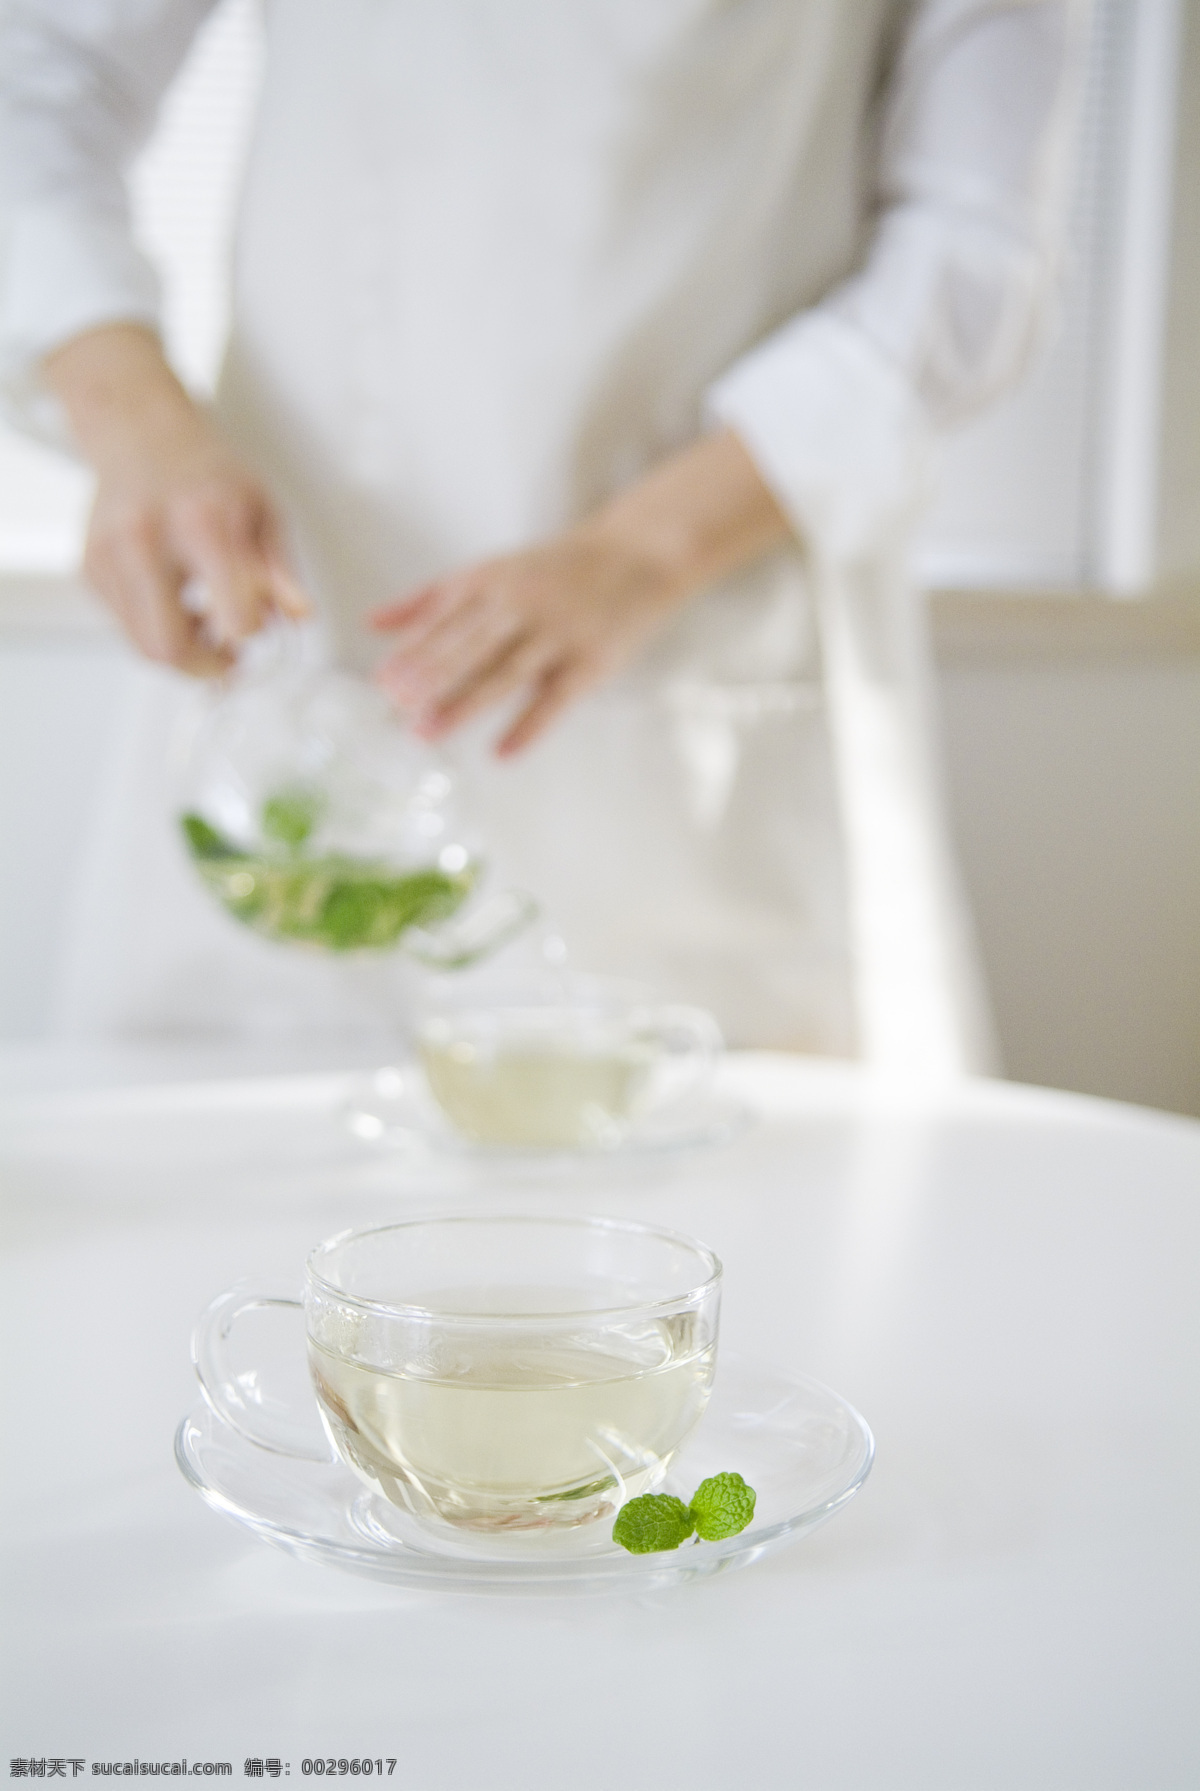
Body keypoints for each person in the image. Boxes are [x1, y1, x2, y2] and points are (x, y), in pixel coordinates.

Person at [0, 0, 1086, 1066]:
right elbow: (30, 83)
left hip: (705, 683)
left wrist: (644, 551)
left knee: (731, 1208)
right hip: (286, 640)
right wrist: (132, 420)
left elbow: (969, 258)